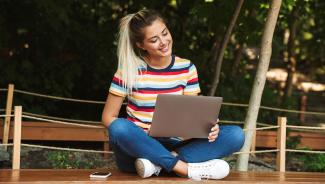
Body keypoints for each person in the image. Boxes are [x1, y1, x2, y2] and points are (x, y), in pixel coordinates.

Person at [101, 9, 245, 180]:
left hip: (174, 145)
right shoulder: (128, 71)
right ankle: (183, 168)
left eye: (164, 33)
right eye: (154, 40)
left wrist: (208, 127)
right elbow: (108, 117)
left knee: (236, 135)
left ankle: (156, 165)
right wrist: (143, 137)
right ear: (141, 45)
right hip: (139, 148)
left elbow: (193, 118)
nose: (163, 42)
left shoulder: (187, 68)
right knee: (118, 127)